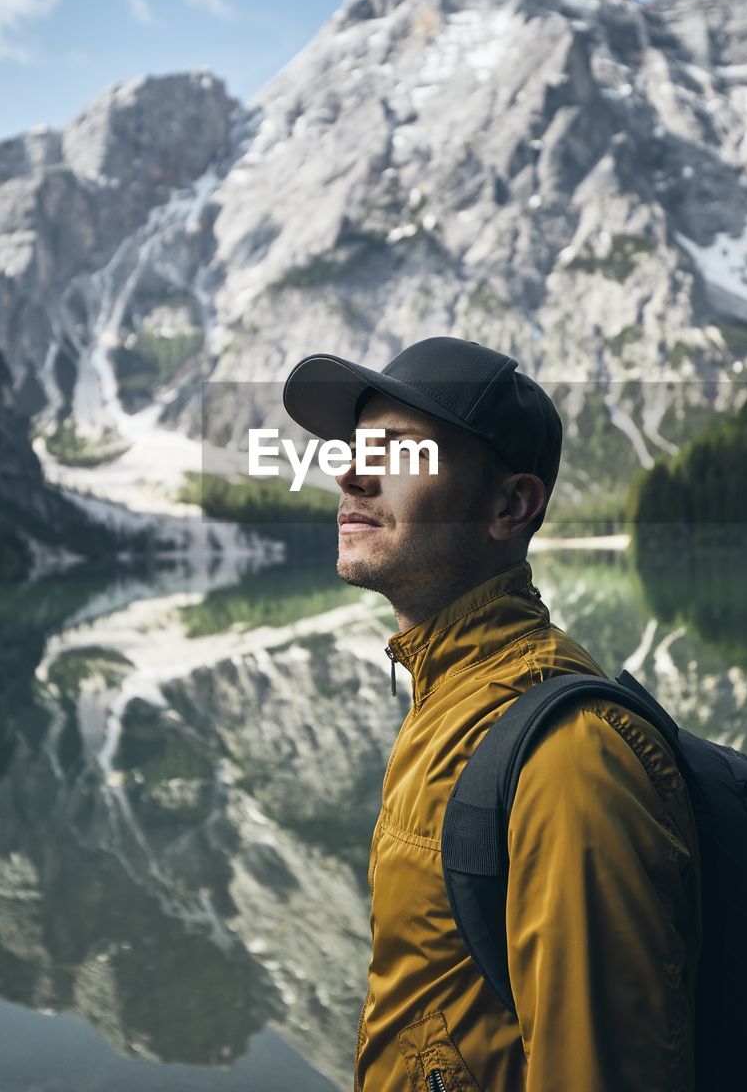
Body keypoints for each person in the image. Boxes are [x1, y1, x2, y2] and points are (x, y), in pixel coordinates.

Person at [282, 336, 701, 1092]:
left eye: (402, 454)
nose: (348, 472)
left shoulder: (566, 756)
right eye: (353, 447)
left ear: (511, 506)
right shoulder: (448, 692)